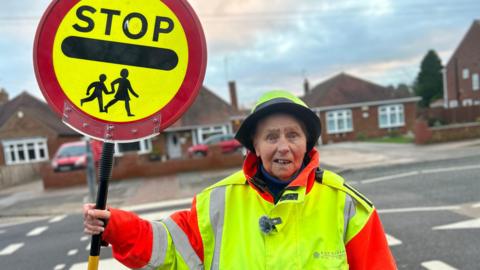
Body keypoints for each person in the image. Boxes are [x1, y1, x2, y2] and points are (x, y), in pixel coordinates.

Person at [84, 90, 396, 269]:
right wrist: (115, 226)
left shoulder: (347, 205)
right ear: (255, 147)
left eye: (293, 135)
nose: (283, 146)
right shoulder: (218, 201)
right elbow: (167, 246)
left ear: (307, 143)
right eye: (271, 137)